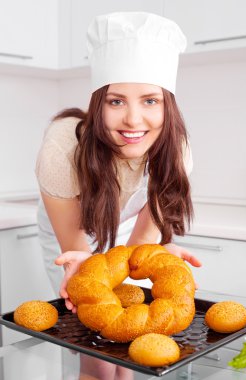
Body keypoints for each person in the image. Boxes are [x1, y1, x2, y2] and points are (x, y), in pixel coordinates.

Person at [35, 11, 201, 380]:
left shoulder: (177, 150)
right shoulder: (63, 148)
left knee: (126, 339)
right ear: (99, 103)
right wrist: (83, 271)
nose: (133, 120)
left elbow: (139, 247)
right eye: (116, 101)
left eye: (149, 101)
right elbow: (83, 260)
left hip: (126, 231)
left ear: (166, 105)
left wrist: (156, 259)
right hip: (74, 238)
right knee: (96, 349)